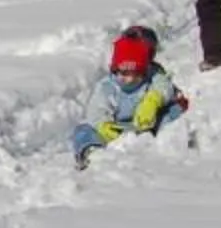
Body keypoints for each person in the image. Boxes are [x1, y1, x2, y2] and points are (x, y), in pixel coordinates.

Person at [71, 25, 189, 166]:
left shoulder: (152, 77)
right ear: (116, 70)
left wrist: (152, 100)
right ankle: (91, 150)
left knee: (172, 111)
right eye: (124, 74)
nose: (130, 79)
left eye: (136, 74)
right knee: (83, 129)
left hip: (147, 125)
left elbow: (165, 86)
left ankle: (170, 139)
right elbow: (97, 109)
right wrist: (103, 125)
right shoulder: (108, 87)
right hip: (116, 129)